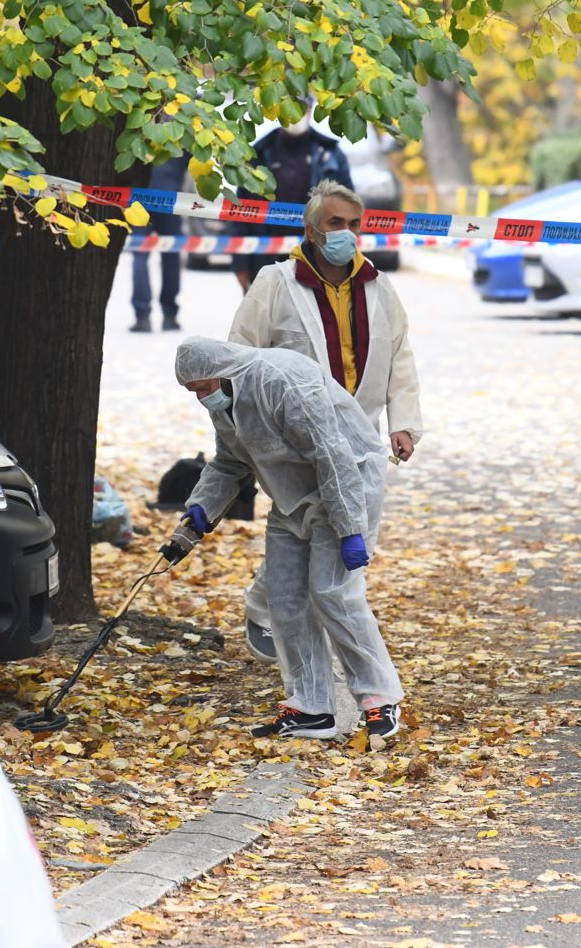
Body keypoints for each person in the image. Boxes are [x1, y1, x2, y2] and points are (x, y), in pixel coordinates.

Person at [168, 336, 406, 741]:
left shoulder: (282, 380)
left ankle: (380, 698)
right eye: (195, 393)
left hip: (348, 486)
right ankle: (311, 707)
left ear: (224, 372)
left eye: (204, 388)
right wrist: (200, 510)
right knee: (284, 598)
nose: (202, 399)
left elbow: (331, 454)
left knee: (333, 593)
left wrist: (350, 528)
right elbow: (230, 462)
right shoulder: (226, 400)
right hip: (291, 497)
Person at [229, 181, 422, 662]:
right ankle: (267, 607)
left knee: (353, 533)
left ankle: (330, 628)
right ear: (312, 230)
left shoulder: (378, 286)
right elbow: (240, 354)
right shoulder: (276, 283)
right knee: (302, 527)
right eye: (336, 224)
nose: (347, 234)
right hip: (294, 437)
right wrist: (246, 427)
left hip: (359, 432)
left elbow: (399, 356)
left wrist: (404, 422)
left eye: (355, 225)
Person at [236, 111, 352, 290]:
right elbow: (240, 213)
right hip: (267, 260)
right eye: (289, 105)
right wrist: (240, 264)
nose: (295, 112)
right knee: (268, 316)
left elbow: (350, 212)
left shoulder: (331, 154)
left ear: (311, 109)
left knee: (317, 317)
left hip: (318, 262)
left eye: (302, 106)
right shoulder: (258, 154)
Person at [130, 152, 188, 333]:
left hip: (141, 198)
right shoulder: (182, 129)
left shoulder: (138, 128)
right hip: (170, 200)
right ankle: (169, 315)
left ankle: (142, 316)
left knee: (140, 255)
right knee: (171, 256)